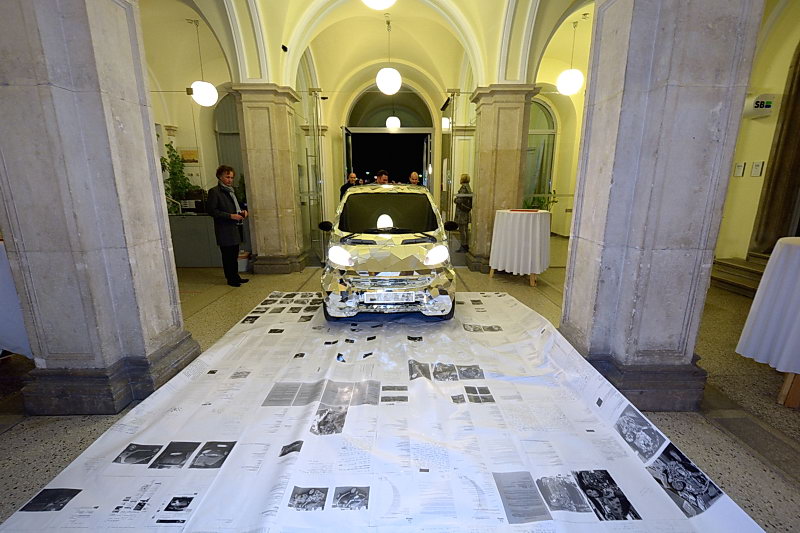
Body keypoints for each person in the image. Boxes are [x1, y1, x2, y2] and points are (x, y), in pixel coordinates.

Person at [207, 165, 249, 287]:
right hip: (224, 228)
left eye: (231, 177)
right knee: (227, 255)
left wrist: (244, 211)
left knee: (234, 254)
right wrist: (230, 216)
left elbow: (239, 205)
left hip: (235, 227)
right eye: (227, 177)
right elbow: (212, 211)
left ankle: (235, 276)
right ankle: (231, 278)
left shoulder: (232, 191)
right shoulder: (215, 192)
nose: (230, 180)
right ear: (220, 177)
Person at [454, 173, 472, 252]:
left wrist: (455, 200)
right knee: (466, 229)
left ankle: (463, 245)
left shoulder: (463, 188)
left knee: (462, 230)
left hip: (462, 212)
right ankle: (466, 245)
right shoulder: (468, 187)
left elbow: (460, 199)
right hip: (466, 211)